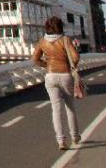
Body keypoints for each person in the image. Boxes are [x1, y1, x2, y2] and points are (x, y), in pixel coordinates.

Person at [33, 16, 81, 150]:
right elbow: (76, 57)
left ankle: (61, 140)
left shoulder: (42, 42)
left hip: (50, 75)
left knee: (56, 109)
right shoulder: (65, 40)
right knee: (70, 107)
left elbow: (35, 59)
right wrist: (71, 66)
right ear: (60, 27)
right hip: (65, 74)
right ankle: (75, 136)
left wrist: (47, 65)